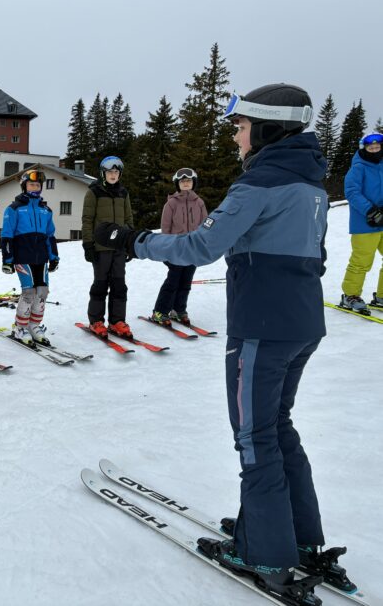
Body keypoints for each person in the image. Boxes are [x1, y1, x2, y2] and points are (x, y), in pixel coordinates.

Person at [96, 84, 348, 604]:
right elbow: (316, 259)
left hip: (261, 329)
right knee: (278, 427)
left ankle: (268, 553)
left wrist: (132, 240)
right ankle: (293, 536)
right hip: (301, 326)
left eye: (240, 126)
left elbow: (200, 246)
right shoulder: (313, 187)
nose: (235, 137)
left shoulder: (259, 185)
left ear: (268, 129)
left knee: (256, 439)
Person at [0, 168, 59, 345]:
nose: (34, 187)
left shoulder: (46, 210)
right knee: (28, 293)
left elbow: (50, 235)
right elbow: (7, 235)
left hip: (41, 257)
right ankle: (20, 327)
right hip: (22, 256)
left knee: (42, 292)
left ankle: (34, 326)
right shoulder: (14, 208)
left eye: (37, 184)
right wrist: (7, 260)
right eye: (31, 183)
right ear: (24, 186)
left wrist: (54, 257)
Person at [81, 156, 135, 338]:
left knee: (119, 285)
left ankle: (117, 321)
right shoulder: (94, 192)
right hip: (101, 247)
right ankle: (96, 321)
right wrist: (88, 244)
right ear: (103, 173)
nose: (113, 175)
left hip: (119, 247)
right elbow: (87, 219)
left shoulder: (123, 193)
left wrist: (130, 243)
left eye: (116, 172)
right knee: (101, 284)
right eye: (110, 172)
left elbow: (128, 220)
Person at [151, 168, 208, 325]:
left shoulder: (200, 203)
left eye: (188, 181)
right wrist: (167, 249)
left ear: (193, 183)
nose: (186, 183)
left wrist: (202, 245)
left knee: (186, 282)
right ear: (177, 184)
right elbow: (165, 228)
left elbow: (205, 226)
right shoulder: (171, 204)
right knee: (173, 281)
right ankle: (160, 311)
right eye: (182, 181)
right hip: (176, 250)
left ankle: (178, 309)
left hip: (193, 249)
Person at [338, 132, 383, 314]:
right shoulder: (358, 167)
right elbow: (351, 191)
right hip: (365, 222)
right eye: (370, 147)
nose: (374, 149)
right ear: (364, 148)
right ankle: (350, 295)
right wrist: (370, 211)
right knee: (362, 261)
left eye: (377, 146)